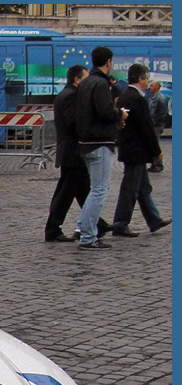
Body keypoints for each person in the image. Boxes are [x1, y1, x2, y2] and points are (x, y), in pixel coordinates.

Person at [44, 65, 110, 242]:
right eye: (85, 78)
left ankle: (98, 224)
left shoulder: (68, 95)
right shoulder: (70, 96)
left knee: (83, 190)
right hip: (72, 152)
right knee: (66, 192)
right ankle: (53, 228)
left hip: (74, 152)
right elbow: (74, 123)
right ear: (77, 79)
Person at [110, 63, 171, 237]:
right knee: (130, 188)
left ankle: (153, 219)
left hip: (129, 147)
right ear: (140, 79)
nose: (148, 81)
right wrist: (156, 151)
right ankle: (121, 223)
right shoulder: (137, 98)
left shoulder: (124, 96)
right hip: (136, 150)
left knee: (143, 188)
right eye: (147, 78)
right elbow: (146, 127)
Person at [75, 46, 126, 249]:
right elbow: (105, 112)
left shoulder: (85, 82)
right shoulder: (101, 84)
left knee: (95, 189)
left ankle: (83, 227)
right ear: (109, 62)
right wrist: (120, 114)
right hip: (99, 142)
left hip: (85, 142)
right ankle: (87, 235)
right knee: (100, 189)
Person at [146, 80, 168, 171]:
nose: (150, 87)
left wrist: (154, 121)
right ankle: (154, 163)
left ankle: (158, 164)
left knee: (155, 144)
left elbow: (162, 114)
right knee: (152, 143)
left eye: (152, 85)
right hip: (152, 125)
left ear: (157, 87)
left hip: (157, 125)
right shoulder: (151, 98)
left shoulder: (160, 98)